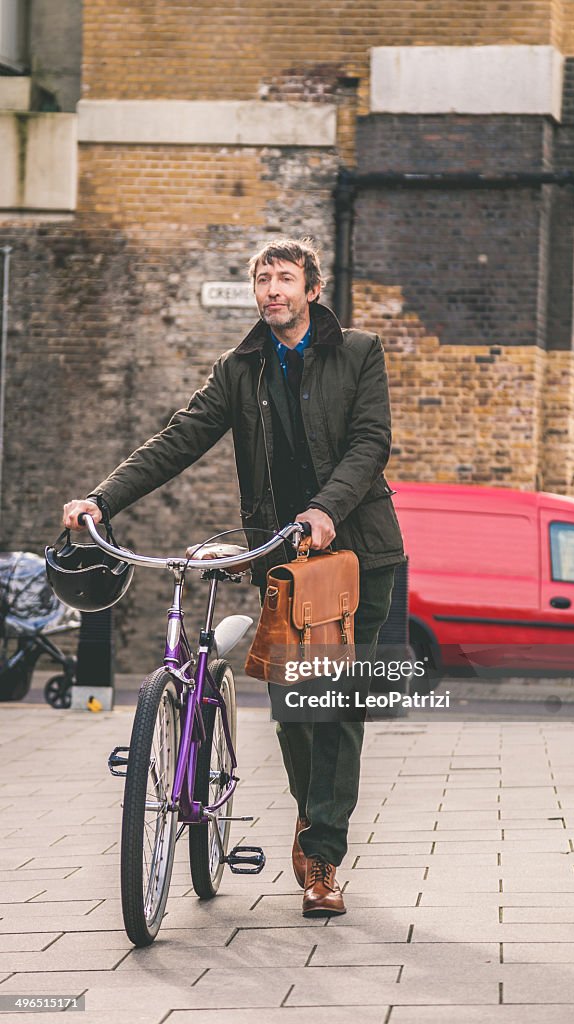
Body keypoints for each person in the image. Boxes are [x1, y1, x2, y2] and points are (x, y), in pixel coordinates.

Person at [63, 237, 404, 916]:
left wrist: (325, 509)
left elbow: (371, 442)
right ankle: (315, 816)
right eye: (263, 280)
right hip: (282, 560)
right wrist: (103, 498)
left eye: (285, 278)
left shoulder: (357, 352)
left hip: (358, 554)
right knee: (291, 711)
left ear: (312, 289)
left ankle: (323, 860)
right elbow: (178, 439)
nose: (273, 290)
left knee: (335, 709)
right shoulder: (240, 368)